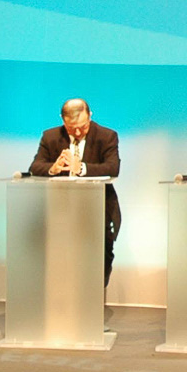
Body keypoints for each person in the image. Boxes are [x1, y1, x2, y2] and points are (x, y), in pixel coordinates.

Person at [29, 98, 122, 285]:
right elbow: (35, 166)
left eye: (83, 126)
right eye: (72, 128)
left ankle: (93, 298)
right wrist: (53, 168)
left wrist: (81, 168)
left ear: (90, 116)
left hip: (97, 208)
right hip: (61, 209)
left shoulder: (107, 136)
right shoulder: (50, 137)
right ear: (63, 121)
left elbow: (112, 168)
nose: (78, 132)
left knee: (101, 254)